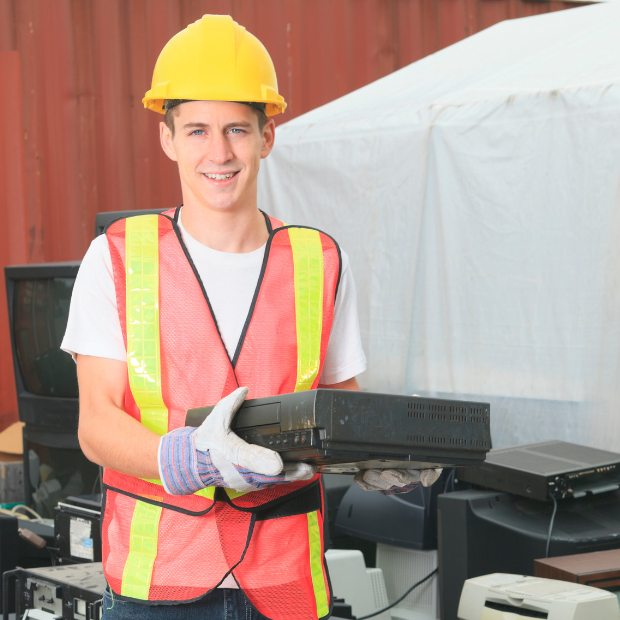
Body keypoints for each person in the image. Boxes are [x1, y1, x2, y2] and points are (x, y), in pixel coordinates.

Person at [62, 14, 439, 620]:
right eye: (197, 131)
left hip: (285, 579)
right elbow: (95, 423)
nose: (219, 152)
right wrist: (187, 460)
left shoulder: (320, 260)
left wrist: (373, 450)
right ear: (168, 139)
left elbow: (339, 395)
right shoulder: (117, 257)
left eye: (237, 128)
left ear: (267, 136)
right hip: (159, 584)